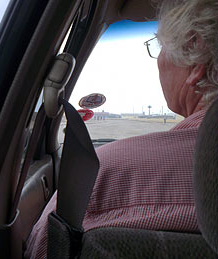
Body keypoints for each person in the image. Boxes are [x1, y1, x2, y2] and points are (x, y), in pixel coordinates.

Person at [25, 0, 218, 258]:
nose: (158, 60)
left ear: (196, 53)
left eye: (160, 47)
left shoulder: (101, 178)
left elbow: (43, 249)